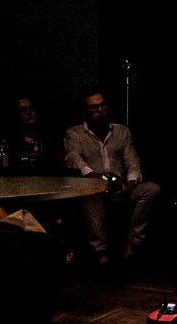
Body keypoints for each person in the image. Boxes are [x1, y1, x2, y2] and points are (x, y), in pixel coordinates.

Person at [63, 86, 161, 268]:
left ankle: (133, 244)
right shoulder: (74, 133)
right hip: (94, 188)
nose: (99, 110)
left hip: (120, 187)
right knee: (89, 190)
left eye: (103, 105)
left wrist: (131, 182)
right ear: (85, 111)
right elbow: (74, 159)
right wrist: (92, 175)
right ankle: (99, 253)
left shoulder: (121, 131)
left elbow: (133, 161)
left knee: (151, 189)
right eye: (93, 107)